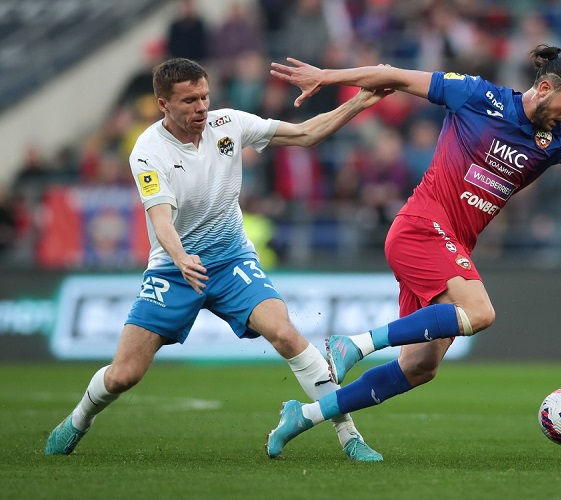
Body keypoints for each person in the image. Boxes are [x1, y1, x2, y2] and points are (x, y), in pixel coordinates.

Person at [264, 45, 561, 457]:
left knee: (420, 367)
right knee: (479, 312)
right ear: (545, 87)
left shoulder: (557, 141)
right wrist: (327, 76)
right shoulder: (477, 95)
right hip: (421, 226)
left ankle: (304, 415)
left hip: (452, 243)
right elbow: (392, 75)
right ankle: (354, 345)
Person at [45, 58, 391, 461]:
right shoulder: (148, 151)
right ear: (163, 104)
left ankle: (349, 435)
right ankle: (79, 419)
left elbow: (305, 133)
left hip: (231, 260)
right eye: (189, 100)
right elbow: (160, 219)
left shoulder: (229, 124)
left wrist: (359, 102)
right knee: (124, 375)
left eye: (204, 96)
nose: (201, 107)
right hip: (175, 270)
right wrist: (181, 257)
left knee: (285, 333)